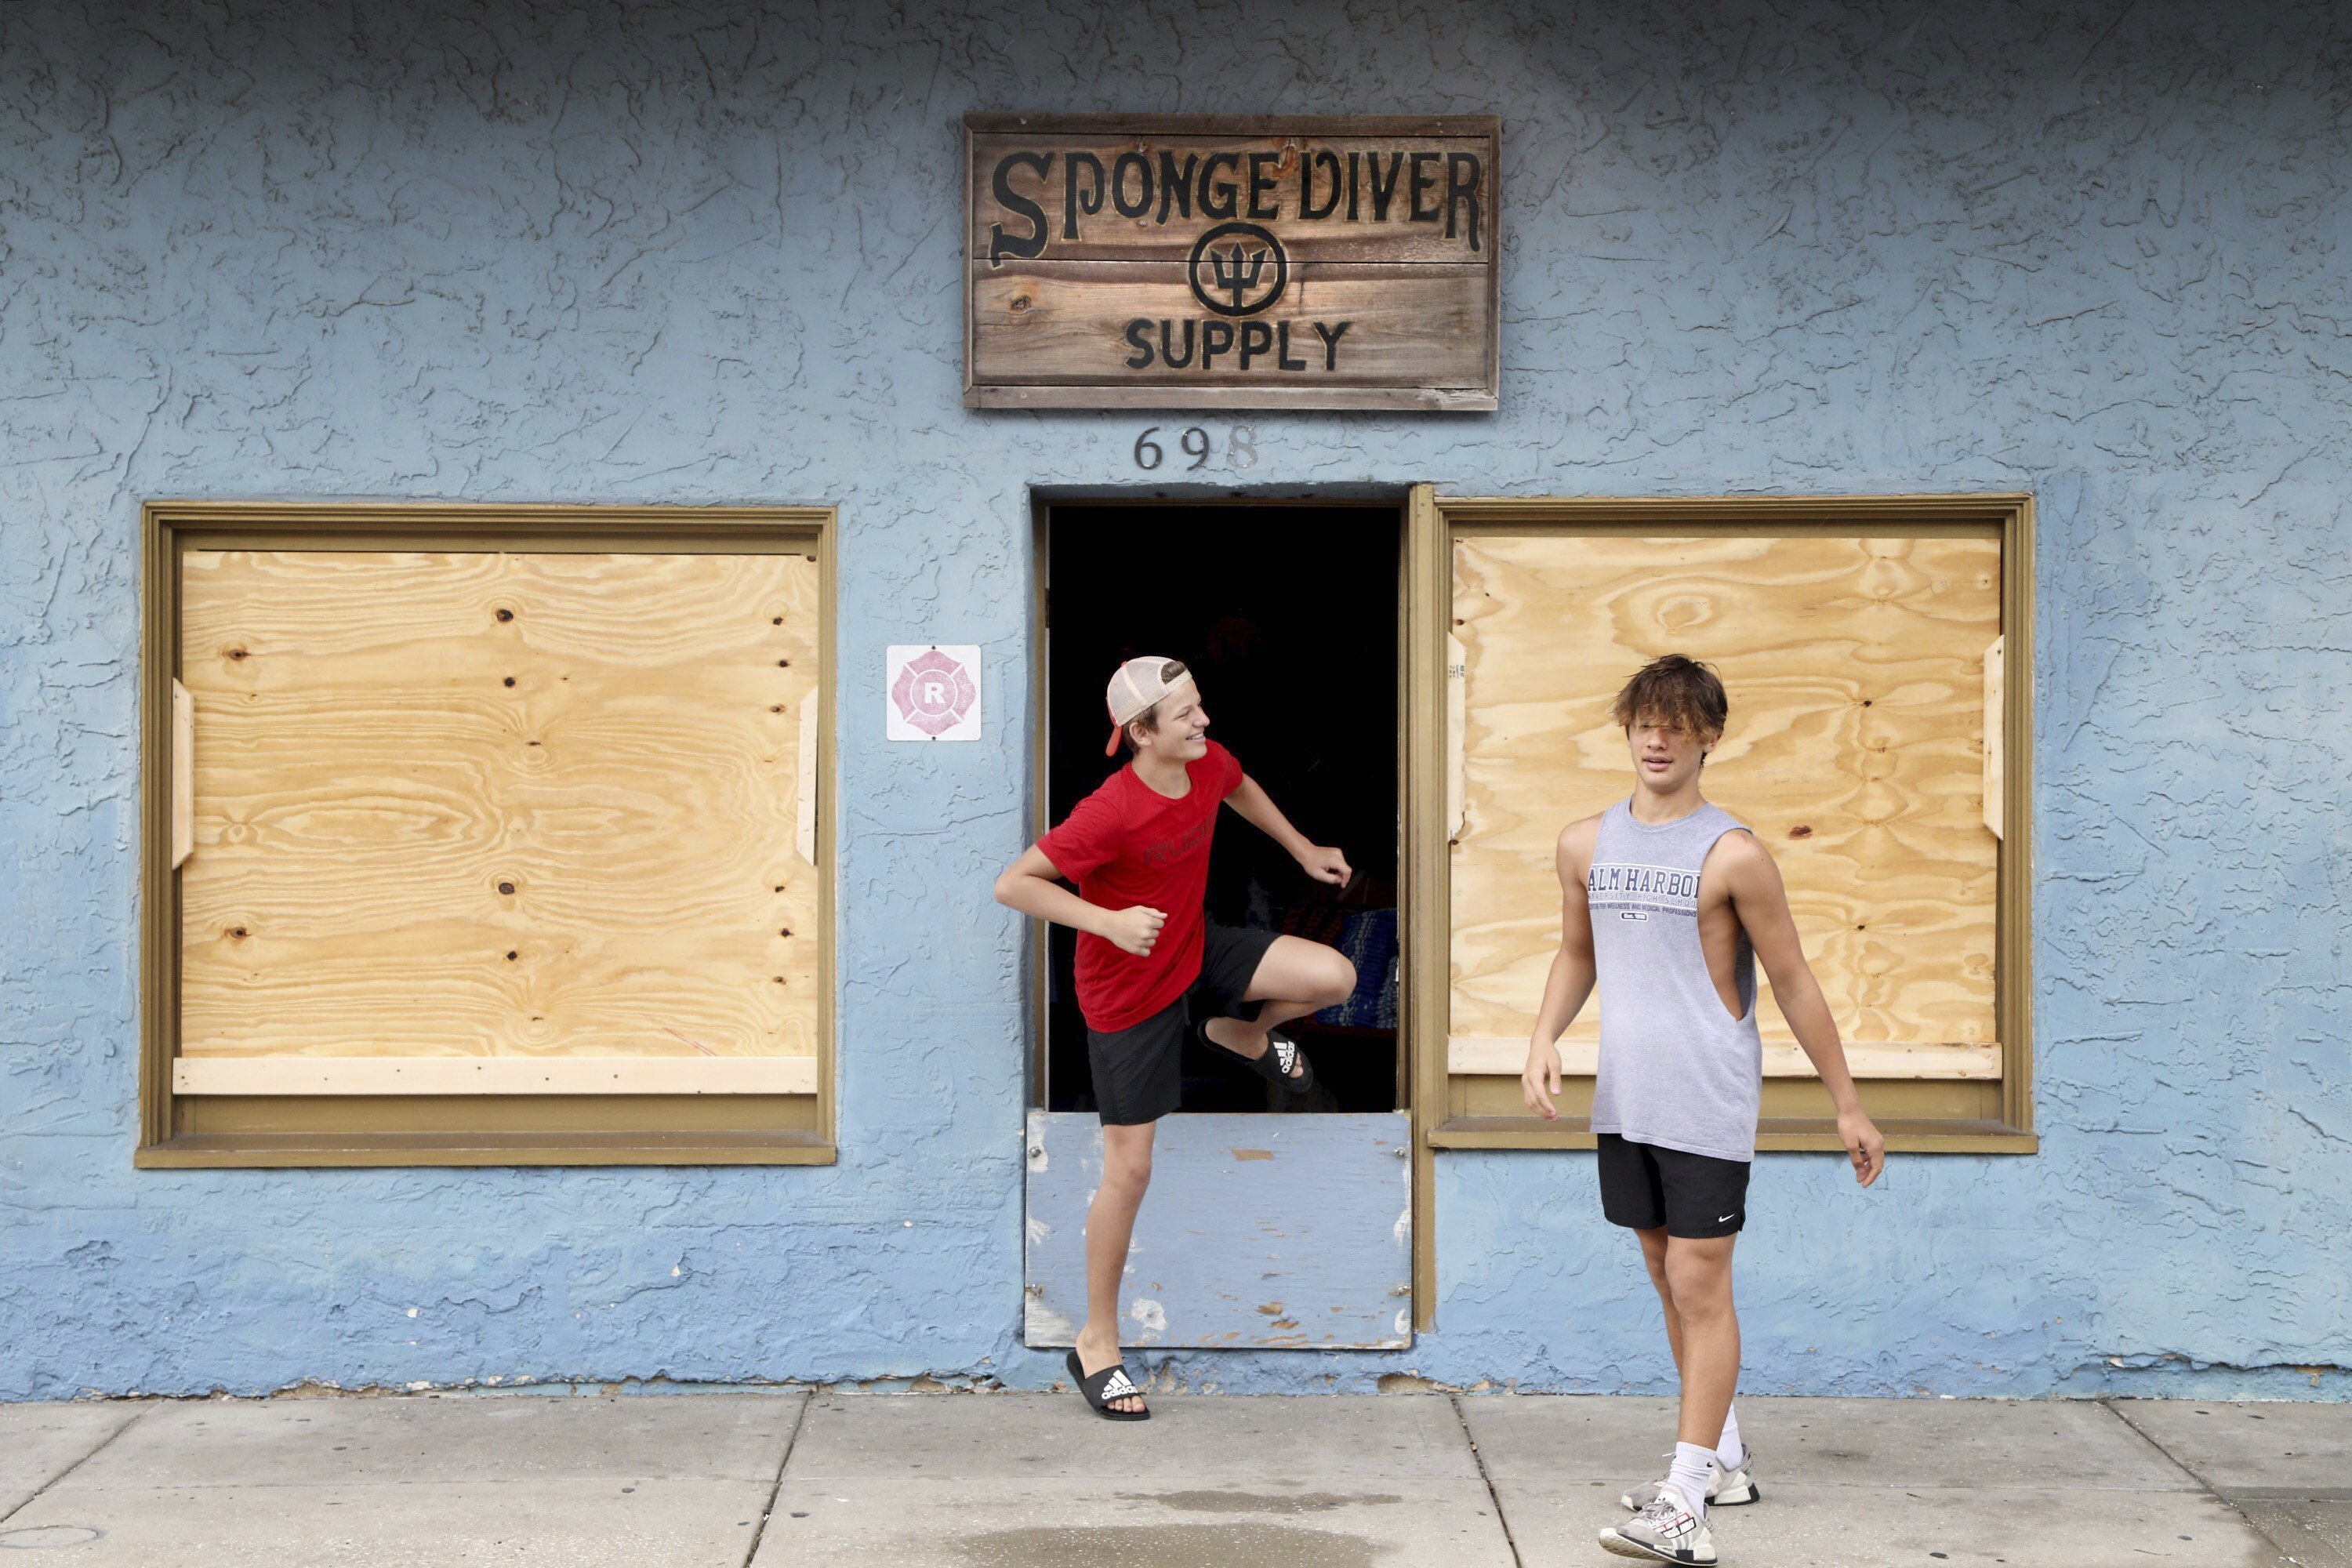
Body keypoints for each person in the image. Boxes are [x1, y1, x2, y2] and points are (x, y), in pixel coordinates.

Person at [1519, 654, 1886, 1564]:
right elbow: (1577, 952)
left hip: (1708, 1095)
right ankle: (1721, 1455)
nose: (1657, 736)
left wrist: (1848, 1103)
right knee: (1660, 1265)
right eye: (1645, 720)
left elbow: (1794, 978)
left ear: (1708, 735)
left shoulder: (1734, 853)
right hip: (1627, 1095)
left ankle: (1685, 1501)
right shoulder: (1585, 843)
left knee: (1698, 1282)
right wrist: (1542, 1036)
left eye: (1678, 722)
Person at [994, 656, 1356, 1420]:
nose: (1204, 722)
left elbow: (1240, 784)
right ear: (1141, 732)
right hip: (1126, 989)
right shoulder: (1110, 810)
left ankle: (1244, 1033)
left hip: (1192, 945)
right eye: (1186, 714)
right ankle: (1097, 1340)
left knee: (1334, 976)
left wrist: (1301, 848)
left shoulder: (1206, 763)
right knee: (1130, 1169)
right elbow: (1016, 883)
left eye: (1199, 707)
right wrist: (1108, 922)